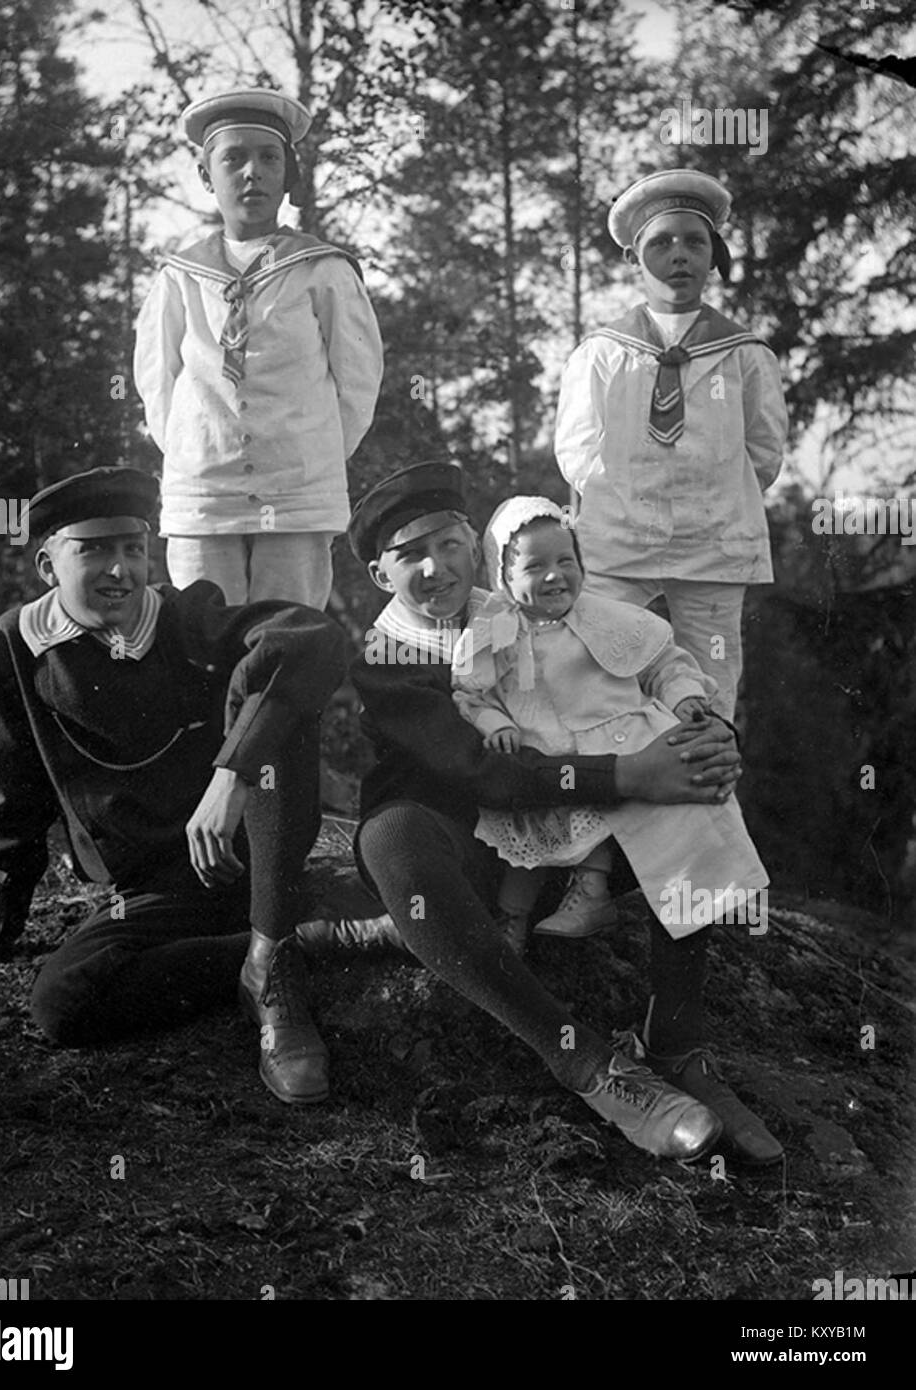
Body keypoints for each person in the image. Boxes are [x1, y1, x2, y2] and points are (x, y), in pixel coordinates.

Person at [348, 461, 783, 1165]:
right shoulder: (386, 655)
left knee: (680, 782)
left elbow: (626, 678)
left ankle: (679, 1040)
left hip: (551, 847)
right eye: (410, 556)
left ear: (474, 544)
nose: (436, 567)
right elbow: (481, 770)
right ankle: (588, 1065)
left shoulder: (516, 610)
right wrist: (629, 773)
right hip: (451, 857)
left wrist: (702, 737)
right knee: (392, 835)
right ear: (381, 576)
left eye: (449, 544)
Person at [0, 466, 355, 1106]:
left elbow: (313, 637)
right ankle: (303, 941)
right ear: (47, 565)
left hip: (252, 861)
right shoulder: (13, 645)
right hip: (151, 895)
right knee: (64, 1002)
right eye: (93, 549)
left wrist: (230, 775)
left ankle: (274, 974)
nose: (120, 569)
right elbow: (8, 794)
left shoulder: (185, 617)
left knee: (281, 691)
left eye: (132, 548)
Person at [450, 494, 768, 960]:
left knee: (627, 816)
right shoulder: (495, 630)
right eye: (535, 567)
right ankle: (511, 921)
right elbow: (473, 694)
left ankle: (595, 897)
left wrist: (685, 698)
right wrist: (496, 722)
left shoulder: (607, 617)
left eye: (566, 560)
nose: (555, 575)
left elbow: (665, 662)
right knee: (529, 848)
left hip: (620, 739)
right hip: (548, 756)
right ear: (504, 577)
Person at [133, 88, 384, 610]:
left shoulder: (322, 268)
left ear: (286, 172)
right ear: (206, 177)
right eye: (234, 158)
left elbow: (357, 382)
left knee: (287, 639)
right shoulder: (180, 277)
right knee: (204, 638)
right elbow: (156, 385)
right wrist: (195, 454)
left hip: (297, 494)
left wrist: (309, 456)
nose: (253, 172)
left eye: (269, 157)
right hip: (204, 497)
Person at [555, 169, 787, 721]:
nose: (678, 255)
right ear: (635, 260)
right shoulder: (603, 352)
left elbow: (764, 451)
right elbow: (578, 450)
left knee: (711, 682)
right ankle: (613, 782)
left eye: (694, 242)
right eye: (660, 243)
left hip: (714, 546)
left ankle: (706, 792)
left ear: (713, 256)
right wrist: (630, 501)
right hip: (619, 541)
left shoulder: (744, 354)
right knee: (600, 663)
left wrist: (711, 497)